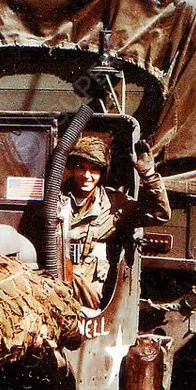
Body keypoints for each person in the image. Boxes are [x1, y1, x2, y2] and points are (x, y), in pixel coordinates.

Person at [60, 132, 170, 309]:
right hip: (55, 281)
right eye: (81, 167)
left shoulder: (114, 203)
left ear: (102, 173)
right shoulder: (55, 198)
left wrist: (149, 176)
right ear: (72, 169)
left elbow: (160, 213)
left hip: (88, 293)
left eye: (94, 169)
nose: (87, 175)